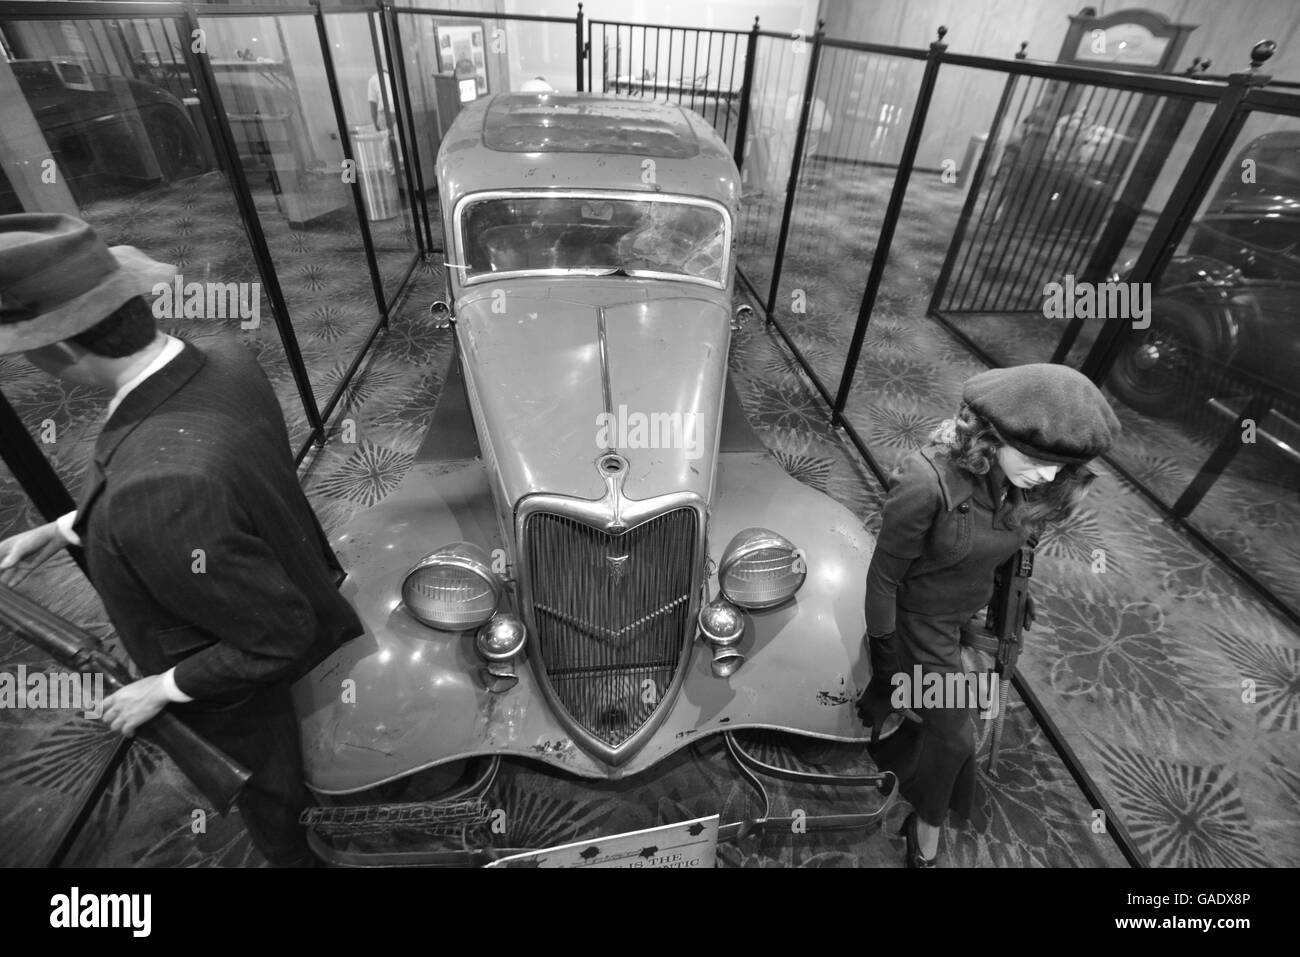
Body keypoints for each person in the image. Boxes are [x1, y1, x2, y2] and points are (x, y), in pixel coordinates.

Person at [0, 214, 363, 866]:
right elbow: (191, 477)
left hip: (240, 691)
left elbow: (278, 635)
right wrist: (61, 528)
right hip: (275, 561)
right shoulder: (220, 356)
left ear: (54, 353)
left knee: (279, 811)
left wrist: (162, 687)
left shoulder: (157, 486)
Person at [856, 363, 1120, 867]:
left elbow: (1011, 544)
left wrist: (1013, 596)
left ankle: (907, 736)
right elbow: (883, 579)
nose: (1046, 476)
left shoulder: (1026, 481)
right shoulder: (925, 482)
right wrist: (885, 661)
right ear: (990, 434)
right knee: (957, 735)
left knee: (963, 711)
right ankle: (926, 826)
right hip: (917, 623)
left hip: (963, 617)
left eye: (1059, 467)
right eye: (1037, 458)